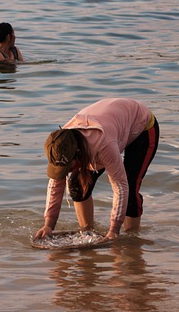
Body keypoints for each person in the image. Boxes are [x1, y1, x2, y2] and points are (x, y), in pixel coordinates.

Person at [35, 98, 159, 241]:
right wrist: (48, 225)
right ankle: (87, 232)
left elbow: (120, 186)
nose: (66, 172)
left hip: (142, 126)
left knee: (130, 188)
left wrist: (114, 230)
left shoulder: (104, 146)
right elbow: (55, 184)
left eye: (68, 168)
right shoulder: (61, 143)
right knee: (78, 185)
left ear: (78, 155)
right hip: (112, 123)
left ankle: (132, 239)